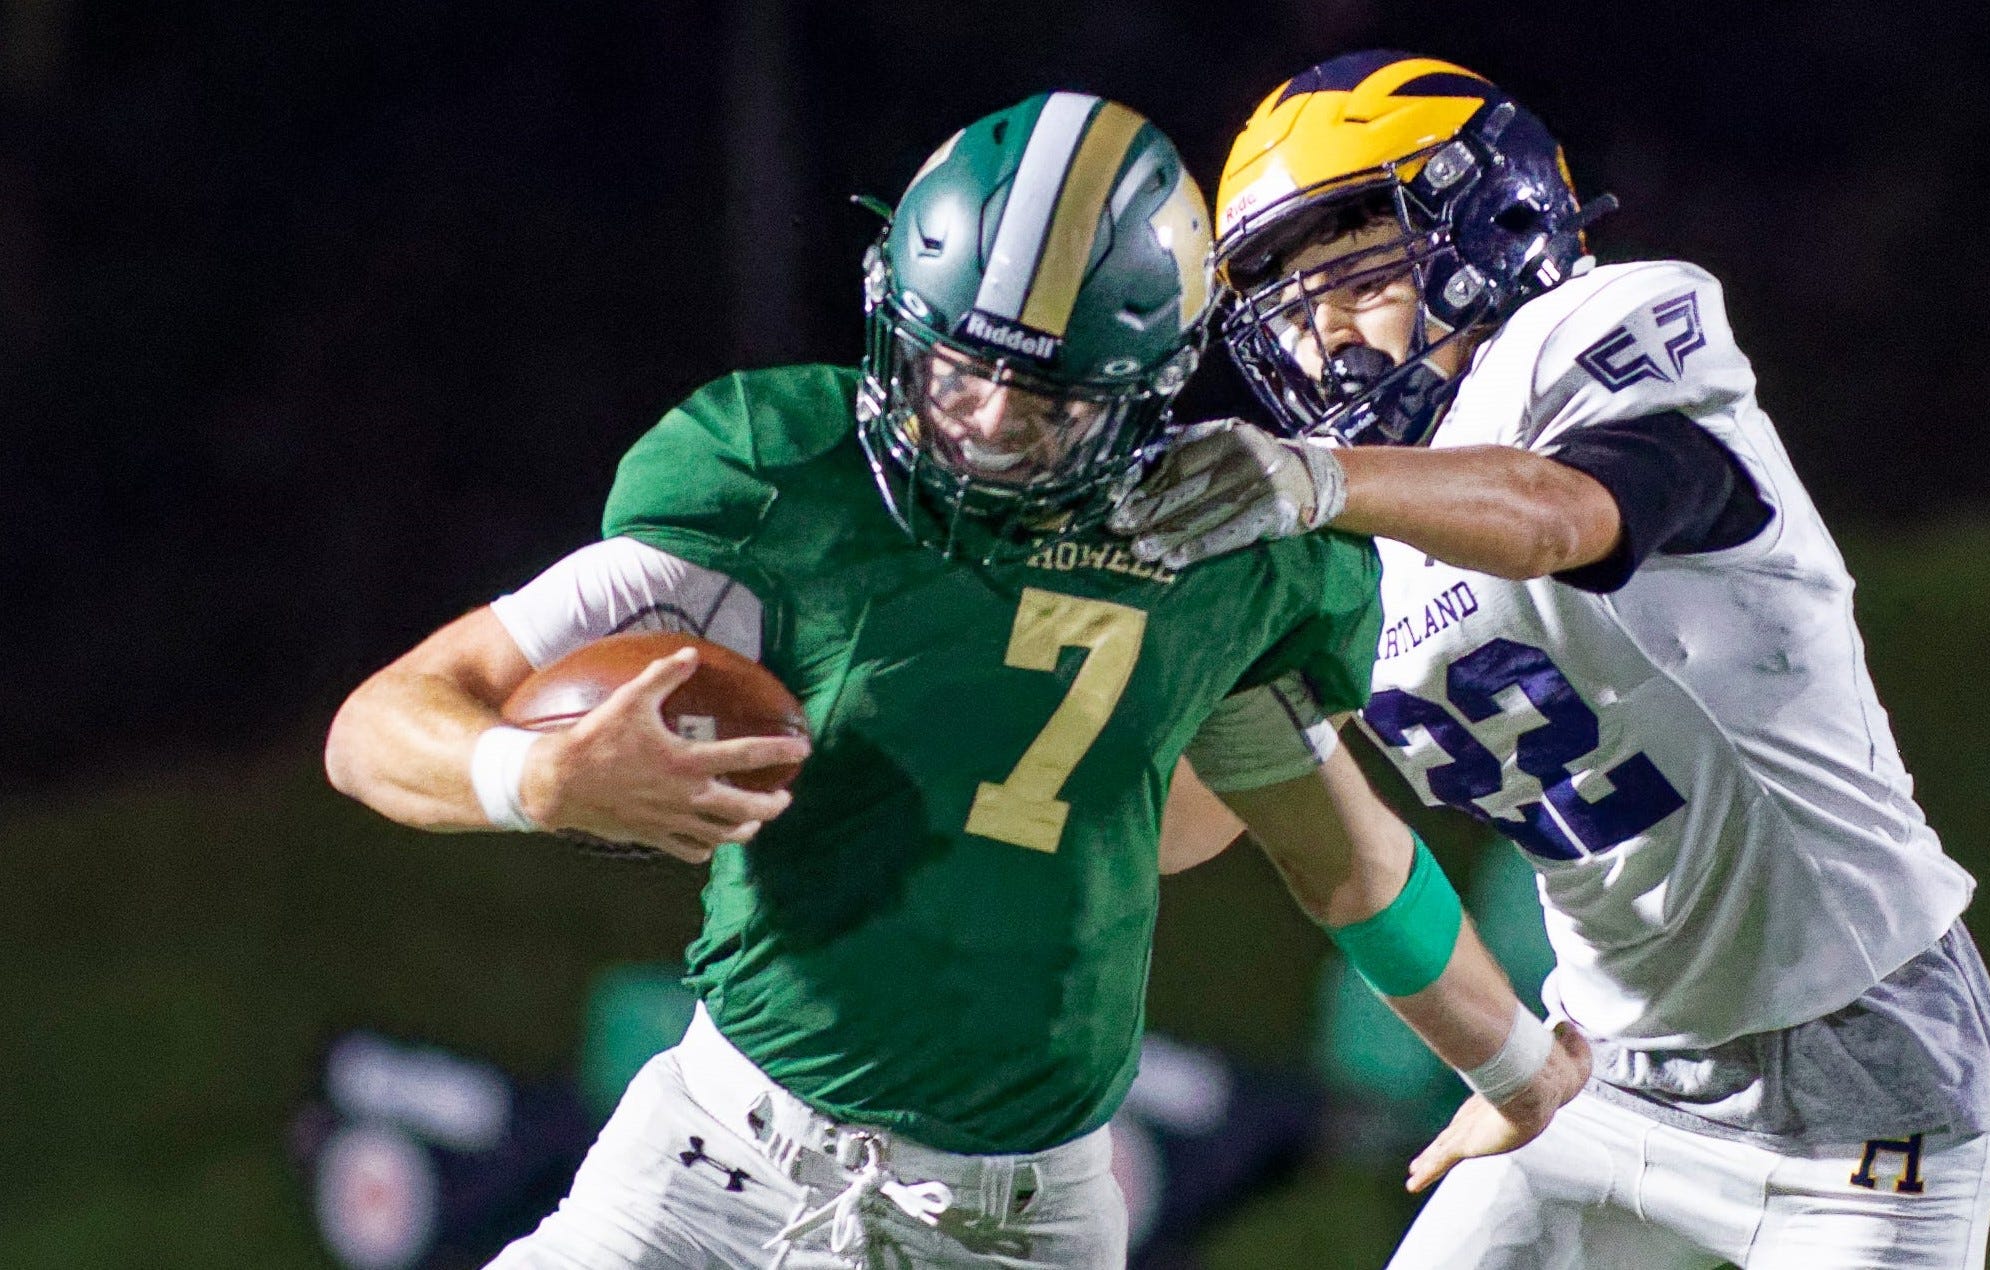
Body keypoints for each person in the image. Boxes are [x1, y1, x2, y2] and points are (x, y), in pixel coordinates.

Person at [325, 91, 1585, 1270]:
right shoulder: (779, 478)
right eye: (952, 367)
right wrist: (533, 771)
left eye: (1034, 391)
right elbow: (380, 723)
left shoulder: (1220, 547)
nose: (978, 416)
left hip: (1022, 1226)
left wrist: (1524, 1075)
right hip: (718, 1161)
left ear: (1141, 387)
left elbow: (1343, 858)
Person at [1114, 52, 1990, 1269]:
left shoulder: (1582, 334)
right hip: (1605, 1069)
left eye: (1357, 263)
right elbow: (1201, 811)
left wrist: (1317, 483)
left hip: (1861, 1073)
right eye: (1286, 296)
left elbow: (1570, 515)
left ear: (1491, 223)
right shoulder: (1343, 521)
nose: (1323, 322)